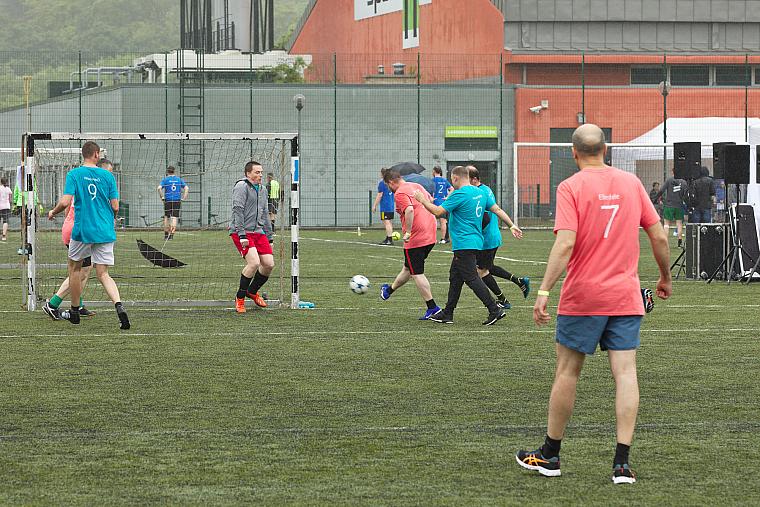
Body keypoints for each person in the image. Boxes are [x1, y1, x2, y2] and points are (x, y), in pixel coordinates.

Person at [515, 124, 671, 484]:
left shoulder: (570, 187)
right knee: (626, 374)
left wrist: (544, 290)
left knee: (567, 372)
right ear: (606, 149)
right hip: (625, 296)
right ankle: (622, 464)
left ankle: (550, 455)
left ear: (573, 153)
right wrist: (665, 277)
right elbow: (659, 236)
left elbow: (565, 243)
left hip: (583, 296)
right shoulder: (632, 183)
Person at [47, 142, 130, 329]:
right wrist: (110, 218)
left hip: (83, 230)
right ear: (96, 154)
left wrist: (53, 212)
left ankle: (74, 311)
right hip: (105, 230)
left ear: (83, 154)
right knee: (104, 274)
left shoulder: (74, 174)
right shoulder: (108, 176)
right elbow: (115, 206)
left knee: (75, 270)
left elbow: (65, 202)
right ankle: (119, 306)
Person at [414, 165, 506, 326]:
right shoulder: (480, 192)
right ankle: (448, 313)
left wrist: (422, 200)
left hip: (464, 243)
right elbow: (491, 213)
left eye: (452, 179)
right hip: (475, 241)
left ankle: (494, 309)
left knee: (471, 278)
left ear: (456, 178)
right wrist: (511, 225)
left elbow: (438, 211)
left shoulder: (459, 194)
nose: (452, 182)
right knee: (455, 277)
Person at [42, 159, 114, 321]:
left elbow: (68, 206)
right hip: (80, 231)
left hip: (75, 228)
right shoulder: (97, 184)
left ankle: (78, 305)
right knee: (81, 272)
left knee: (83, 269)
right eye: (108, 172)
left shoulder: (83, 183)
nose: (109, 175)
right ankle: (52, 304)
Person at [378, 168, 440, 320]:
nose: (389, 188)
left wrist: (408, 232)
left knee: (417, 273)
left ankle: (433, 308)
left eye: (388, 185)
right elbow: (430, 201)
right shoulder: (416, 186)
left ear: (391, 182)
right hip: (430, 232)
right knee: (408, 267)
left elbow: (410, 210)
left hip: (416, 237)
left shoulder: (399, 193)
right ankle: (389, 290)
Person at [467, 166, 529, 309]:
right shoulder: (485, 189)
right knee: (487, 267)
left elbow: (486, 218)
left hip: (487, 239)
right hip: (491, 236)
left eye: (466, 179)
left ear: (474, 179)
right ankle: (520, 282)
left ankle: (503, 300)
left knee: (481, 271)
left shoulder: (479, 193)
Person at [230, 161, 274, 314]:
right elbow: (238, 210)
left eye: (261, 172)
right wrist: (242, 235)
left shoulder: (262, 189)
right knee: (254, 263)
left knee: (268, 264)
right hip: (241, 231)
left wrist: (269, 237)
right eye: (257, 172)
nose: (260, 175)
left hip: (258, 232)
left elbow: (265, 213)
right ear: (248, 173)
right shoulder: (241, 186)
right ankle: (240, 298)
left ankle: (252, 291)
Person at [653, 168, 687, 247]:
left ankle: (665, 242)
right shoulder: (683, 182)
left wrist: (655, 199)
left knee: (666, 224)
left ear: (672, 172)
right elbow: (685, 193)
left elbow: (661, 190)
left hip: (669, 205)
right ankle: (679, 242)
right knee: (679, 223)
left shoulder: (669, 180)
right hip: (679, 205)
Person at [157, 166, 188, 240]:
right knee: (174, 217)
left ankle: (166, 235)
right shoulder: (179, 179)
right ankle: (171, 236)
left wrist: (162, 197)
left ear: (167, 172)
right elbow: (186, 188)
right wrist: (184, 197)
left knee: (166, 217)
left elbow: (159, 188)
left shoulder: (165, 179)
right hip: (176, 200)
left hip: (168, 200)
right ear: (174, 171)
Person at [372, 168, 395, 245]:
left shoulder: (382, 183)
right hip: (391, 206)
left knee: (386, 222)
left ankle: (389, 239)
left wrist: (374, 205)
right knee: (389, 222)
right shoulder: (391, 182)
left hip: (385, 206)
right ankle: (388, 238)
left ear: (382, 174)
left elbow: (380, 195)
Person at [431, 166, 452, 243]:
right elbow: (452, 189)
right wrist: (447, 197)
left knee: (433, 221)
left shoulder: (432, 180)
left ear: (434, 171)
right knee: (443, 221)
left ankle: (433, 239)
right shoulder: (444, 180)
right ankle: (443, 239)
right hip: (444, 203)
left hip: (435, 202)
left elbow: (431, 191)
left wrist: (431, 198)